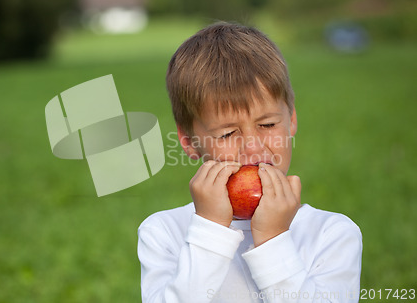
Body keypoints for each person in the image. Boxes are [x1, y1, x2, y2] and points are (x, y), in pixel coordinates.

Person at [137, 22, 362, 302]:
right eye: (228, 133)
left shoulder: (331, 235)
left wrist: (272, 240)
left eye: (267, 124)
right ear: (189, 143)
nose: (253, 147)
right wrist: (210, 230)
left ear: (291, 121)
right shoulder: (164, 233)